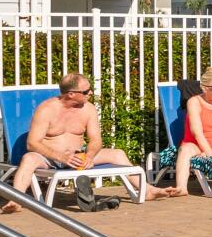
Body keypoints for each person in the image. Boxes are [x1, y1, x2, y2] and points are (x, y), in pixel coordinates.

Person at [14, 73, 169, 205]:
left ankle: (148, 191)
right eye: (86, 91)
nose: (91, 93)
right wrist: (61, 156)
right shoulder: (46, 110)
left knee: (118, 154)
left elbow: (96, 139)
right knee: (28, 158)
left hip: (79, 156)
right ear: (71, 94)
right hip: (51, 158)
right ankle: (16, 200)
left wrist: (89, 156)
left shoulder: (88, 109)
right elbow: (32, 143)